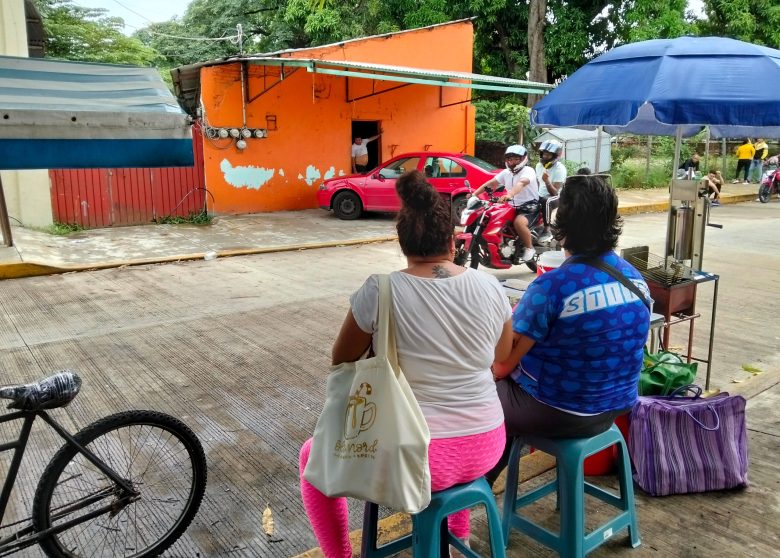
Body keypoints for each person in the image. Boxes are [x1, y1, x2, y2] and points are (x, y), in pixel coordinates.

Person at [299, 170, 514, 558]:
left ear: (401, 243)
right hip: (487, 443)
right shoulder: (491, 287)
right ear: (452, 240)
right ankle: (459, 537)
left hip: (418, 456)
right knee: (459, 455)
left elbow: (341, 360)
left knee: (309, 456)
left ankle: (339, 555)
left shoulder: (379, 290)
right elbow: (501, 357)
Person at [484, 174, 651, 485]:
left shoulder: (552, 286)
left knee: (483, 393)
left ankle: (469, 494)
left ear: (562, 224)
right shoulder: (635, 277)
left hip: (562, 410)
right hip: (618, 405)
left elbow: (503, 365)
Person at [471, 145, 539, 263]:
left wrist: (509, 195)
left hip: (529, 206)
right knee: (491, 216)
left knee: (519, 223)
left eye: (516, 159)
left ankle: (529, 248)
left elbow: (521, 183)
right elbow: (491, 183)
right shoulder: (506, 172)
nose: (512, 161)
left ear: (523, 159)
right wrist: (474, 195)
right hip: (511, 206)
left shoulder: (528, 171)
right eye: (510, 159)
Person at [535, 140, 567, 243]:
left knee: (546, 200)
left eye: (548, 154)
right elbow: (538, 184)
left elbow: (554, 193)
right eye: (543, 154)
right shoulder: (539, 166)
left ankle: (547, 229)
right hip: (541, 194)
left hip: (556, 197)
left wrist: (547, 181)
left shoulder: (560, 169)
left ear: (555, 156)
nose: (544, 156)